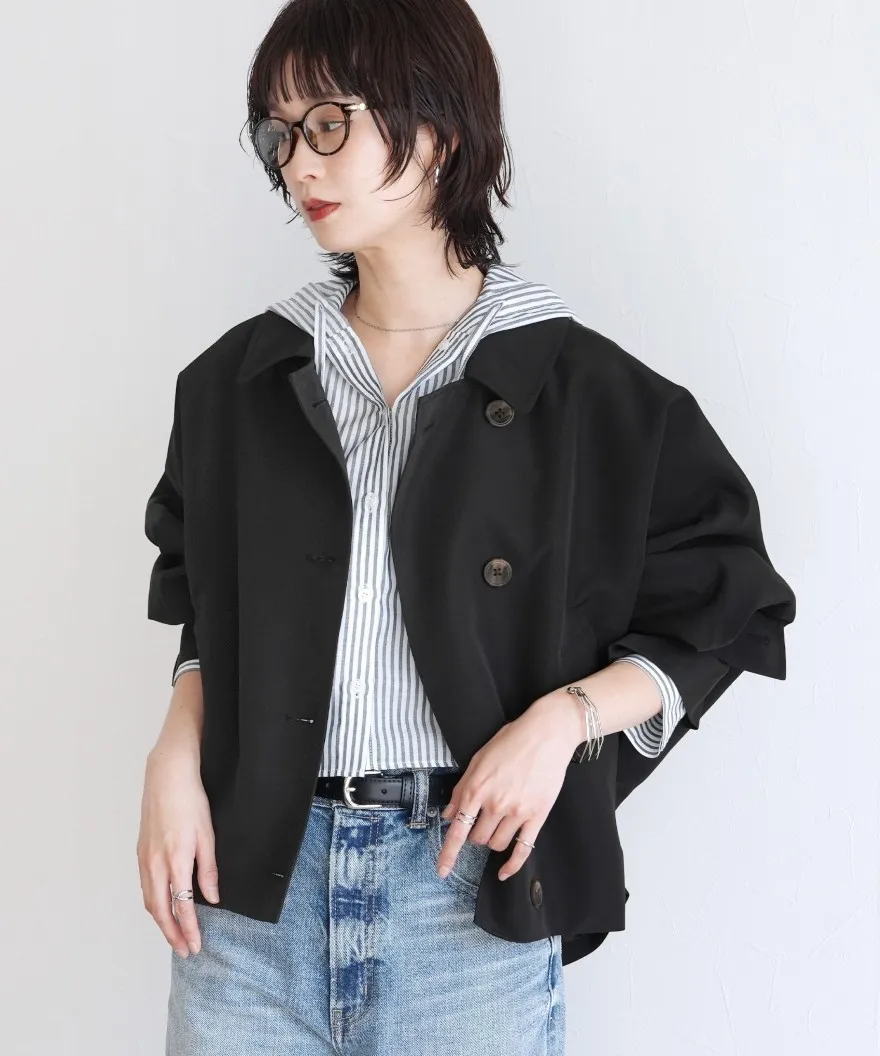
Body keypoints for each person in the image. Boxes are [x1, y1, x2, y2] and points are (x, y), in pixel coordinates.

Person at [137, 1, 797, 1053]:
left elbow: (728, 609)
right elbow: (207, 599)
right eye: (280, 132)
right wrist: (174, 755)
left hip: (466, 898)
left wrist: (561, 724)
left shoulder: (590, 396)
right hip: (250, 894)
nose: (297, 161)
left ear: (438, 131)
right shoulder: (238, 382)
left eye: (328, 123)